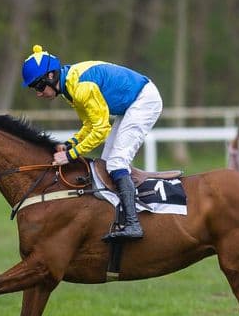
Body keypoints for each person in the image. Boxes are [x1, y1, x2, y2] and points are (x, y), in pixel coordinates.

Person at [21, 44, 163, 241]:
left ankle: (133, 223)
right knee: (105, 164)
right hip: (130, 104)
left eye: (38, 86)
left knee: (116, 163)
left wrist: (70, 155)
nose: (38, 93)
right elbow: (90, 124)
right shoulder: (70, 87)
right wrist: (71, 143)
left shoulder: (81, 87)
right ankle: (117, 217)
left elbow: (101, 130)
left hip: (143, 101)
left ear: (51, 76)